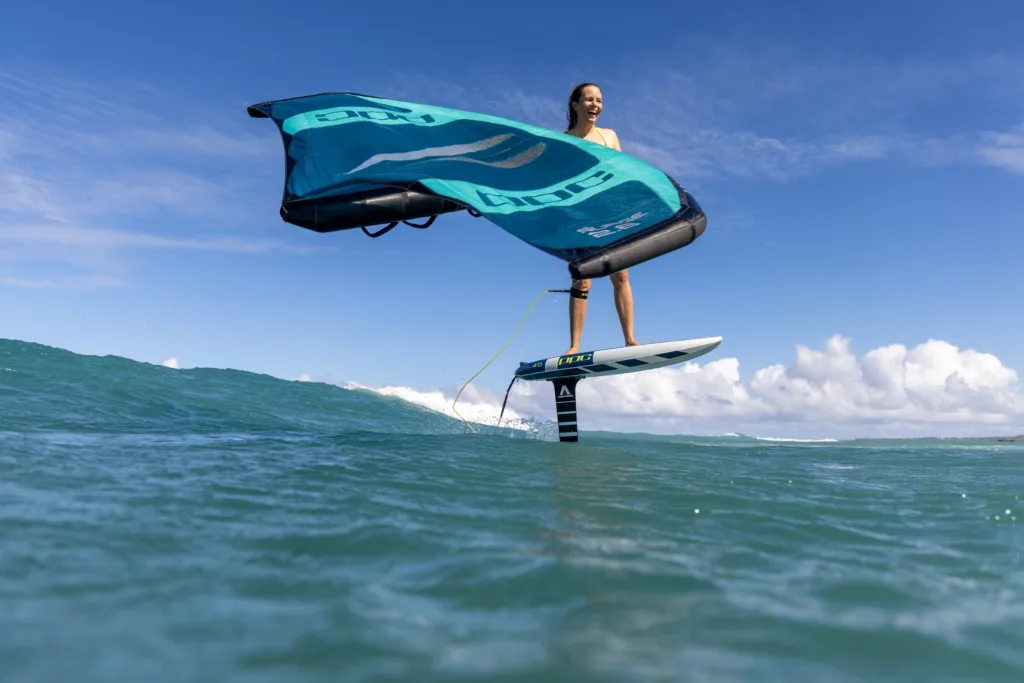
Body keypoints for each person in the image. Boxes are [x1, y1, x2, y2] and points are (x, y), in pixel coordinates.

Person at [562, 82, 638, 356]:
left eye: (599, 100)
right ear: (576, 104)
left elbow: (623, 173)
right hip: (580, 216)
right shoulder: (564, 140)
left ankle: (630, 339)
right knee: (582, 281)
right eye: (589, 99)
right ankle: (575, 345)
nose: (595, 105)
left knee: (621, 276)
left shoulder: (609, 136)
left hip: (611, 212)